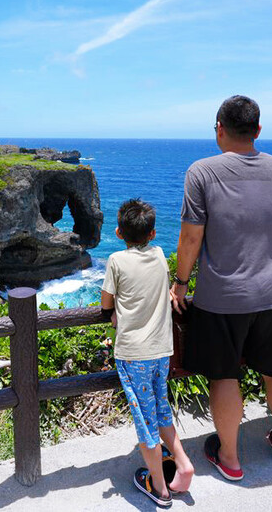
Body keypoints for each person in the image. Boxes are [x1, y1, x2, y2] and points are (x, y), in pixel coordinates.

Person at [171, 95, 272, 481]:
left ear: (219, 128)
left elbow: (190, 238)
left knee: (225, 376)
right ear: (258, 130)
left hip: (223, 298)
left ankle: (229, 458)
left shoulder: (202, 172)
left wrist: (180, 284)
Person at [101, 199, 194, 507]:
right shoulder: (158, 256)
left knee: (144, 420)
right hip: (160, 350)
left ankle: (159, 487)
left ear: (117, 232)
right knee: (161, 408)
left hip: (133, 353)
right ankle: (182, 462)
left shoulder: (115, 260)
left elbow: (105, 303)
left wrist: (112, 312)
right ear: (154, 234)